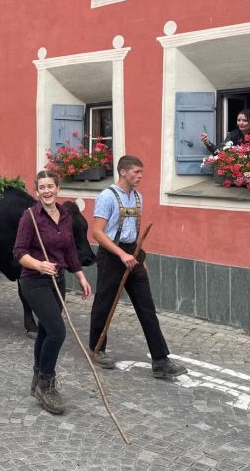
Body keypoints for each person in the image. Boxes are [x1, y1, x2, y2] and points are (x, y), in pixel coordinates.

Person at [88, 155, 187, 378]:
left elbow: (135, 235)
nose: (140, 176)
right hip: (112, 255)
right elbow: (96, 232)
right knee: (104, 303)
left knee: (146, 307)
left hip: (133, 255)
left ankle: (160, 361)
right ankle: (97, 348)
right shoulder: (107, 196)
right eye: (136, 172)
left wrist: (142, 259)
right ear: (123, 172)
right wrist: (121, 254)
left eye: (141, 172)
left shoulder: (138, 197)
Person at [13, 170, 92, 414]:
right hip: (34, 281)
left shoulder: (65, 215)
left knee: (46, 332)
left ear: (57, 188)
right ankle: (47, 383)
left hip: (57, 280)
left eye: (50, 186)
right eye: (42, 187)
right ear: (36, 192)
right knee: (57, 332)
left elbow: (69, 250)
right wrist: (39, 264)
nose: (47, 191)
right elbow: (18, 252)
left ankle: (37, 380)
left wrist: (79, 275)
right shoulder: (30, 217)